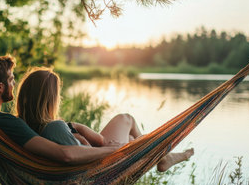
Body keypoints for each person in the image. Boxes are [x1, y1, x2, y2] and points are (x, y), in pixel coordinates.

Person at [0, 56, 120, 165]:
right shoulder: (9, 122)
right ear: (0, 87)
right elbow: (64, 154)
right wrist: (111, 151)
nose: (14, 85)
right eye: (11, 80)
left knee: (126, 128)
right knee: (126, 122)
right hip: (65, 180)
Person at [15, 67, 194, 172]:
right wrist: (110, 149)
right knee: (126, 118)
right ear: (51, 100)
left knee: (132, 139)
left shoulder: (26, 130)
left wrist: (77, 128)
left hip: (96, 160)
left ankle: (159, 156)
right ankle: (161, 157)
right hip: (101, 166)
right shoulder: (54, 128)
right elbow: (94, 146)